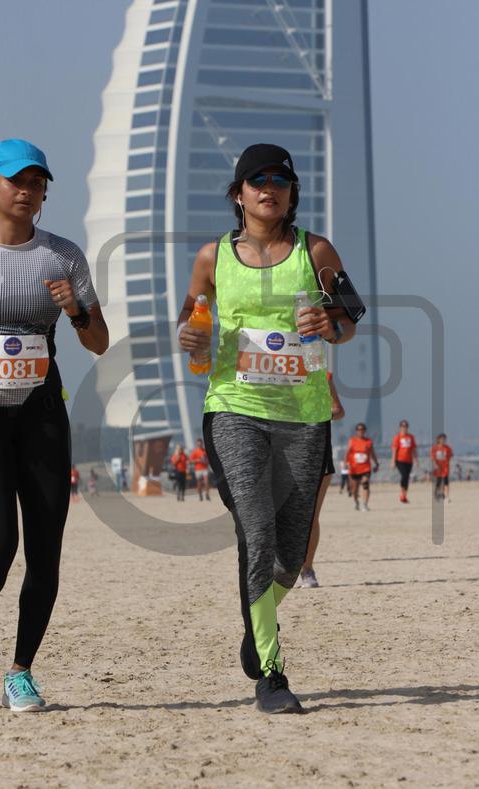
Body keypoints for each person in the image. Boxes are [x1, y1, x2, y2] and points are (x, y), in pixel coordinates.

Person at [178, 143, 356, 713]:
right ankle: (272, 676)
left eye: (280, 180)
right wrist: (192, 337)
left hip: (303, 414)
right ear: (239, 194)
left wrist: (330, 323)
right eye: (258, 180)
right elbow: (190, 319)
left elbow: (350, 318)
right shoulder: (212, 257)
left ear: (291, 193)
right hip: (234, 407)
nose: (269, 188)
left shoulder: (316, 250)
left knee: (290, 556)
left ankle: (256, 628)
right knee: (255, 532)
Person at [0, 139, 108, 711]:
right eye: (16, 180)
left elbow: (99, 342)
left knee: (45, 552)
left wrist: (76, 311)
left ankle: (20, 672)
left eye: (37, 182)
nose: (27, 190)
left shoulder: (64, 256)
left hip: (42, 414)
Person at [299, 373, 345, 589]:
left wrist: (319, 413)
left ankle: (307, 569)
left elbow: (339, 410)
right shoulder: (278, 374)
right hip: (285, 449)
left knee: (310, 515)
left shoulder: (323, 376)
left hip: (318, 450)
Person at [345, 423, 379, 511]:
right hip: (354, 468)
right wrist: (346, 463)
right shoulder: (352, 440)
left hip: (365, 468)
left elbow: (372, 453)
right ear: (356, 431)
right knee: (355, 489)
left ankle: (365, 504)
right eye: (359, 430)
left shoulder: (368, 441)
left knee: (365, 483)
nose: (361, 431)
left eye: (362, 429)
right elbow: (347, 453)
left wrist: (376, 463)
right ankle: (356, 502)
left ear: (365, 431)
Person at [391, 420, 419, 503]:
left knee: (407, 477)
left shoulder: (411, 437)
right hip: (400, 460)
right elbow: (394, 449)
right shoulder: (397, 437)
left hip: (409, 460)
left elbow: (414, 449)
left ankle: (404, 495)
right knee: (404, 475)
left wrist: (416, 460)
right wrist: (393, 461)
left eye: (406, 426)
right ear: (400, 427)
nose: (404, 428)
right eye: (403, 426)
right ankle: (402, 492)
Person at [431, 434, 453, 501]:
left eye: (444, 439)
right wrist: (435, 465)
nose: (443, 440)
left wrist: (447, 462)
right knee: (439, 481)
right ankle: (436, 493)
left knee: (446, 481)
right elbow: (433, 458)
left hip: (445, 467)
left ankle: (447, 495)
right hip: (438, 468)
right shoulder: (435, 448)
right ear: (438, 440)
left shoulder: (447, 448)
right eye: (442, 439)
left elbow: (450, 455)